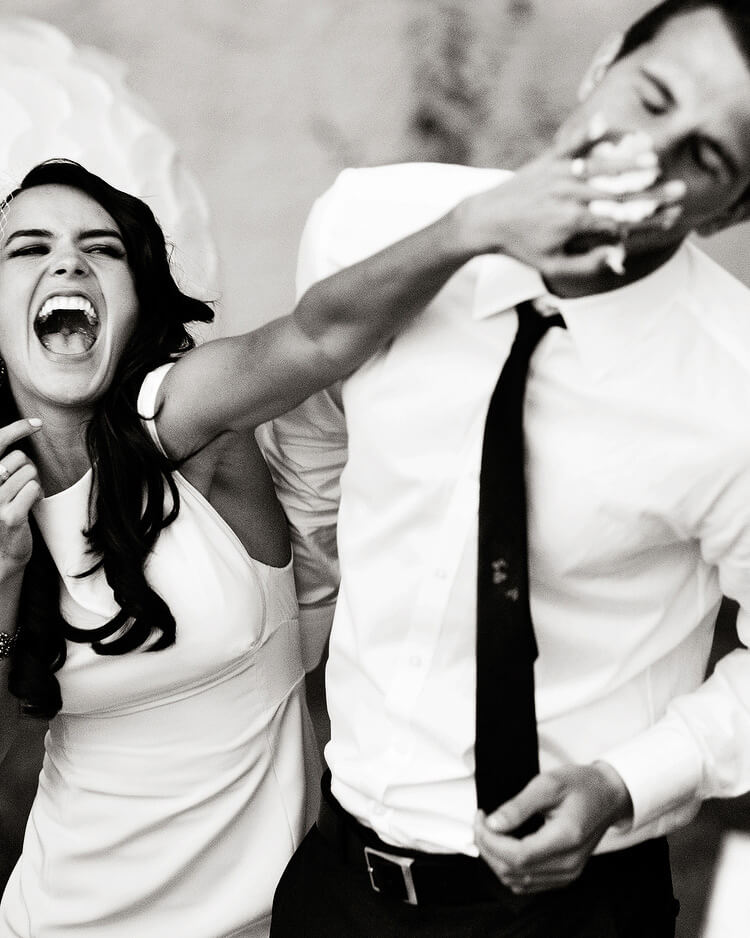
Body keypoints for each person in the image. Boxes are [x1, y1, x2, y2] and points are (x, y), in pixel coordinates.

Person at [0, 152, 665, 938]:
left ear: (137, 300)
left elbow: (319, 339)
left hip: (269, 919)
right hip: (60, 918)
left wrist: (468, 231)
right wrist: (5, 574)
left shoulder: (181, 422)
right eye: (28, 247)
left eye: (101, 247)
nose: (67, 260)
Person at [263, 2, 750, 936]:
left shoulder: (732, 397)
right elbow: (317, 435)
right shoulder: (373, 224)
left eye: (707, 157)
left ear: (731, 209)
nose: (649, 153)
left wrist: (623, 784)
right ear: (602, 64)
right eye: (649, 98)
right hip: (335, 884)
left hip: (573, 910)